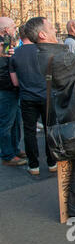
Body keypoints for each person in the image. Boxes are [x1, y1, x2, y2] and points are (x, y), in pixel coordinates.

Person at [26, 16, 75, 222]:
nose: (55, 29)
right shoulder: (58, 58)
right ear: (42, 34)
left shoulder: (48, 55)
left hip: (66, 113)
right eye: (51, 27)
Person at [9, 26, 56, 175]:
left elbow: (15, 82)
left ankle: (34, 165)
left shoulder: (15, 54)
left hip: (27, 97)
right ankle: (52, 162)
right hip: (47, 95)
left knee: (29, 132)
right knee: (50, 129)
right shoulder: (44, 51)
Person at [0, 17, 27, 167]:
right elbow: (4, 67)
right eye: (13, 27)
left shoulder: (5, 43)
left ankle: (14, 149)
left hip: (11, 89)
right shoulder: (3, 44)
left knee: (16, 121)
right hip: (6, 90)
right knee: (6, 123)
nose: (15, 29)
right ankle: (7, 154)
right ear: (5, 30)